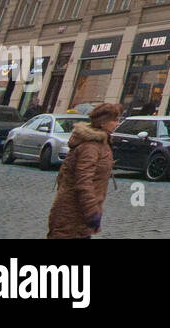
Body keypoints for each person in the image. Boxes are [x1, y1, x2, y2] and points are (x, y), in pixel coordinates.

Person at [46, 102, 121, 239]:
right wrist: (92, 212)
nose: (117, 124)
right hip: (71, 213)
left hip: (81, 215)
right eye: (115, 120)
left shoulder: (102, 143)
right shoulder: (90, 147)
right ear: (103, 123)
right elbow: (83, 182)